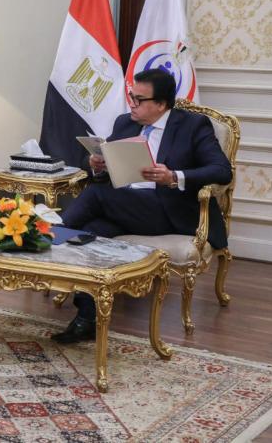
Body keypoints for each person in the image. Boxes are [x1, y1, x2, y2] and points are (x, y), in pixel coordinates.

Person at [53, 69, 232, 344]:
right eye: (131, 96)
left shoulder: (193, 125)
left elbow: (221, 170)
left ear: (161, 104)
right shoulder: (125, 123)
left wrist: (174, 177)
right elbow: (106, 168)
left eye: (138, 99)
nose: (132, 104)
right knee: (91, 232)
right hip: (125, 207)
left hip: (167, 211)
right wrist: (97, 165)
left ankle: (51, 234)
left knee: (97, 195)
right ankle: (87, 319)